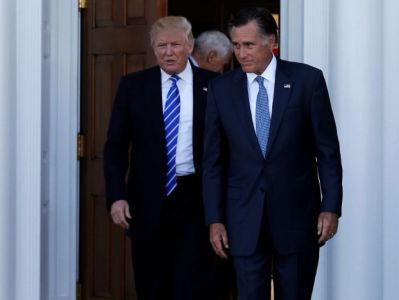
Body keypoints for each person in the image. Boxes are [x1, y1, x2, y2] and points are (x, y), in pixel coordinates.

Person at [202, 7, 343, 300]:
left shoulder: (307, 81)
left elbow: (327, 151)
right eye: (237, 45)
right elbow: (213, 161)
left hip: (297, 218)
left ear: (271, 41)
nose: (241, 53)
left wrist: (331, 207)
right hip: (242, 220)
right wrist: (214, 218)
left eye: (249, 45)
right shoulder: (221, 90)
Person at [104, 16, 218, 300]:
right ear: (154, 49)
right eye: (161, 45)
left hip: (196, 199)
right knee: (151, 285)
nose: (168, 52)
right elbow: (116, 146)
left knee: (191, 285)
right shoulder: (133, 86)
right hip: (146, 201)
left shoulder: (215, 85)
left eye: (175, 44)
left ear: (190, 46)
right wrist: (117, 196)